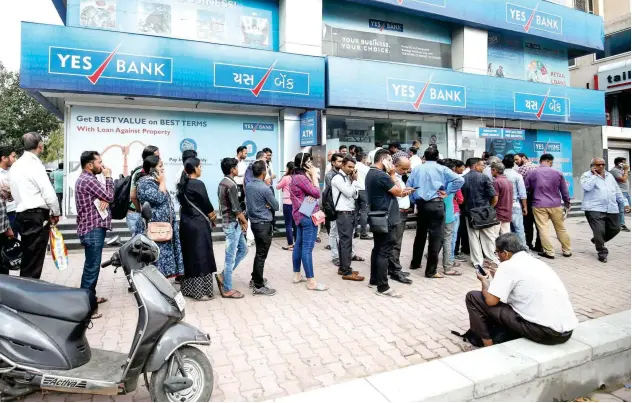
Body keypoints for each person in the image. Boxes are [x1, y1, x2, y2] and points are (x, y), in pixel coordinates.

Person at [465, 233, 577, 347]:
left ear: (505, 253)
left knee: (473, 297)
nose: (497, 256)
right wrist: (498, 277)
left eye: (497, 252)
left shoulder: (508, 265)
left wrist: (484, 281)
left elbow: (490, 301)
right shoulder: (535, 261)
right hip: (566, 332)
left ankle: (488, 346)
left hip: (546, 333)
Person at [407, 148, 464, 278]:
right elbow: (460, 180)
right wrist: (448, 192)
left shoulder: (417, 169)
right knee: (435, 237)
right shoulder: (442, 169)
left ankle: (415, 263)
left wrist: (414, 200)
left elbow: (409, 186)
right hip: (436, 203)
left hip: (421, 204)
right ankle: (431, 271)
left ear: (424, 157)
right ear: (437, 157)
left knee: (420, 234)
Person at [10, 132, 61, 279]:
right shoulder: (34, 165)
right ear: (40, 145)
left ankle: (25, 289)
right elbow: (48, 193)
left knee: (28, 257)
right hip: (35, 216)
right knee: (34, 261)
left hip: (21, 214)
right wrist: (56, 212)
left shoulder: (16, 165)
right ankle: (28, 295)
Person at [366, 150, 413, 297]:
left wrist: (400, 190)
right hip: (387, 218)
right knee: (384, 252)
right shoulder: (382, 175)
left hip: (379, 216)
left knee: (378, 249)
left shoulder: (371, 173)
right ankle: (383, 287)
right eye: (390, 161)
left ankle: (374, 280)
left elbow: (395, 191)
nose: (392, 164)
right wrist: (393, 174)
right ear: (384, 160)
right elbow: (398, 192)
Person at [75, 151, 113, 319]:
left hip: (92, 228)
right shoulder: (89, 180)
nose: (102, 165)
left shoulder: (87, 179)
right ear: (89, 165)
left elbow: (105, 198)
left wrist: (106, 198)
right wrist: (109, 177)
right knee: (92, 267)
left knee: (91, 265)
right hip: (92, 229)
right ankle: (86, 308)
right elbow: (109, 196)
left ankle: (91, 297)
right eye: (99, 162)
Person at [135, 156, 185, 279]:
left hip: (163, 228)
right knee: (156, 256)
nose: (163, 168)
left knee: (163, 256)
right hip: (155, 229)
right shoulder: (144, 183)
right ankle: (157, 284)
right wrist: (162, 182)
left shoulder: (153, 182)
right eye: (160, 166)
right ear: (152, 169)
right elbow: (158, 198)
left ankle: (162, 283)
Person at [177, 157, 218, 300]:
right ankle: (201, 292)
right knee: (202, 255)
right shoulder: (198, 184)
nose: (201, 169)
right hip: (198, 224)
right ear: (194, 168)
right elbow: (206, 204)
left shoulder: (182, 184)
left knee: (189, 255)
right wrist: (213, 217)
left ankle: (189, 289)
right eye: (200, 166)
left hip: (186, 224)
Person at [290, 152, 328, 291]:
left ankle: (297, 275)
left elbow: (311, 194)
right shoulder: (301, 178)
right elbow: (317, 193)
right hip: (307, 216)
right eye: (309, 162)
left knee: (299, 245)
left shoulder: (296, 176)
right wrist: (313, 176)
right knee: (307, 248)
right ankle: (311, 282)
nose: (312, 165)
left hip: (301, 215)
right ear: (304, 164)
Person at [581, 158, 630, 263]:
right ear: (592, 166)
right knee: (599, 231)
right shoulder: (587, 175)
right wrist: (594, 175)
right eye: (598, 165)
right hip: (594, 208)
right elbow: (586, 187)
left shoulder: (609, 175)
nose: (601, 166)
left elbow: (617, 191)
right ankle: (602, 252)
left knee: (616, 228)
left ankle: (597, 240)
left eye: (603, 164)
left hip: (611, 207)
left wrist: (625, 203)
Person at [524, 154, 572, 259]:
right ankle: (567, 250)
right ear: (549, 161)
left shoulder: (532, 173)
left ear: (541, 161)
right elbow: (564, 191)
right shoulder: (558, 173)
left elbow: (525, 188)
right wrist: (567, 203)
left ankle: (550, 252)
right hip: (555, 205)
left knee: (543, 229)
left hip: (538, 205)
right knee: (561, 229)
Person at [217, 157, 249, 298]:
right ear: (232, 169)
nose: (238, 169)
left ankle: (223, 276)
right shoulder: (231, 185)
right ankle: (227, 289)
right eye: (236, 167)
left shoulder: (222, 183)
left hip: (232, 223)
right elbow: (236, 208)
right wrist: (244, 222)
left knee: (244, 249)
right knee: (229, 258)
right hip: (231, 223)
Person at [246, 160, 278, 296]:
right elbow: (276, 206)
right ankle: (258, 286)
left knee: (259, 253)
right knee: (261, 255)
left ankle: (255, 278)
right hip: (264, 224)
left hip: (254, 223)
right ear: (264, 172)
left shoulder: (248, 185)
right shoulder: (264, 188)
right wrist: (268, 204)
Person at [461, 157, 499, 272]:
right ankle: (492, 259)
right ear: (476, 166)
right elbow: (494, 196)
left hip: (470, 212)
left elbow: (462, 199)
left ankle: (477, 262)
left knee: (473, 238)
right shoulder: (484, 177)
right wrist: (490, 207)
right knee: (488, 236)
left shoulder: (463, 179)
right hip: (485, 212)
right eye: (482, 165)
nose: (483, 167)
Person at [331, 156, 364, 281]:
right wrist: (354, 182)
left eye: (353, 167)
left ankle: (342, 267)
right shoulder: (338, 179)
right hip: (343, 213)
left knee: (344, 241)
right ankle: (346, 270)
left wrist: (353, 183)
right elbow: (350, 193)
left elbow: (355, 195)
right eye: (349, 166)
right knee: (346, 242)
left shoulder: (346, 178)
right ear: (342, 165)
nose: (352, 169)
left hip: (349, 212)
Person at [387, 156, 413, 284]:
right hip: (397, 213)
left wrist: (406, 191)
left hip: (402, 212)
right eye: (403, 168)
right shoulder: (391, 178)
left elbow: (400, 192)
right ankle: (394, 271)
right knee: (395, 243)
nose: (406, 171)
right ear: (395, 165)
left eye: (407, 169)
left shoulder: (399, 178)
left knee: (397, 242)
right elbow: (397, 193)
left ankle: (395, 267)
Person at [438, 159, 462, 276]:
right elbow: (460, 198)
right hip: (448, 214)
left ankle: (432, 266)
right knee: (448, 240)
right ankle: (447, 266)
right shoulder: (452, 181)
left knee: (436, 240)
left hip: (437, 213)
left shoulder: (435, 181)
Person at [128, 145, 160, 233]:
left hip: (146, 214)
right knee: (139, 244)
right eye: (156, 156)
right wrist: (140, 211)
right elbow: (133, 196)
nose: (159, 158)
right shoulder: (140, 172)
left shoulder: (152, 173)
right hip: (137, 214)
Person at [514, 153, 541, 252]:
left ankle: (528, 243)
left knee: (527, 223)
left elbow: (521, 187)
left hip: (528, 198)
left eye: (517, 160)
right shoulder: (536, 166)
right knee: (539, 224)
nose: (516, 162)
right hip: (538, 198)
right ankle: (539, 245)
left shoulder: (523, 168)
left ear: (524, 158)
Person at [502, 154, 528, 248]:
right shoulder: (517, 175)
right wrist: (525, 207)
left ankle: (508, 249)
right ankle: (523, 249)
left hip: (502, 206)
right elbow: (522, 193)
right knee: (519, 229)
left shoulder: (499, 175)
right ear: (513, 164)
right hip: (515, 204)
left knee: (505, 229)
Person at [276, 162, 297, 250]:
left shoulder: (286, 178)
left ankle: (290, 244)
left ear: (288, 168)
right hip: (296, 203)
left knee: (288, 224)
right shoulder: (298, 178)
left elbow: (277, 186)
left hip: (287, 203)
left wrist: (282, 178)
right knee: (295, 224)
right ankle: (297, 243)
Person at [449, 160, 466, 264]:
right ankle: (450, 258)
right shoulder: (456, 182)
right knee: (453, 236)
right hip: (454, 211)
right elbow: (460, 200)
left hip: (442, 210)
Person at [491, 162, 513, 235]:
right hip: (507, 212)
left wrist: (490, 208)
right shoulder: (508, 181)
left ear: (495, 170)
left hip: (498, 213)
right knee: (506, 236)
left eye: (492, 170)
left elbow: (495, 199)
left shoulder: (496, 182)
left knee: (494, 236)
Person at [0, 146, 18, 236]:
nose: (15, 159)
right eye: (13, 157)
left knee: (16, 242)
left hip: (17, 211)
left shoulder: (14, 171)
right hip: (5, 215)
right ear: (4, 158)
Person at [354, 150, 371, 240]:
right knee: (364, 212)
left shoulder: (353, 166)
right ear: (364, 158)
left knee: (355, 211)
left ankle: (355, 231)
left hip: (355, 190)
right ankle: (363, 233)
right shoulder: (366, 168)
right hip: (364, 190)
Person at [610, 157, 630, 232]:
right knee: (621, 209)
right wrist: (626, 170)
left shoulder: (621, 170)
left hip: (625, 192)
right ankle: (621, 225)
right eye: (624, 162)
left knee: (626, 209)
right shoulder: (614, 171)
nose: (626, 164)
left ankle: (617, 223)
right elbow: (623, 180)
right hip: (620, 192)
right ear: (619, 163)